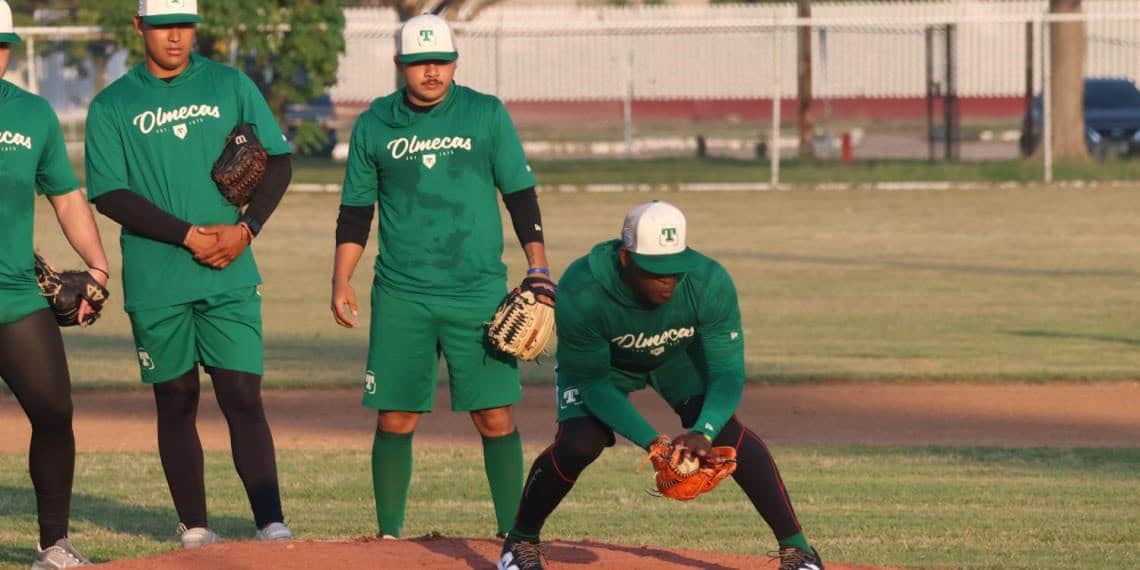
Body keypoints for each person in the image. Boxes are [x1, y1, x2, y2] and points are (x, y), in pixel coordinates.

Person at [497, 200, 826, 570]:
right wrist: (656, 445)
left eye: (674, 269)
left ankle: (799, 552)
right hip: (604, 369)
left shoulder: (708, 281)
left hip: (673, 357)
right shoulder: (582, 288)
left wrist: (704, 429)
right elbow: (592, 384)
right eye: (655, 271)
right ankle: (520, 542)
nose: (667, 280)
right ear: (626, 258)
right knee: (579, 443)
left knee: (728, 436)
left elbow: (727, 373)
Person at [331, 13, 555, 540]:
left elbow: (520, 195)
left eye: (440, 60)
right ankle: (389, 540)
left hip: (477, 290)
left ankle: (513, 536)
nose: (430, 72)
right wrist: (341, 279)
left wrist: (538, 267)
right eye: (418, 63)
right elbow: (355, 212)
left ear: (455, 61)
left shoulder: (486, 114)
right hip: (401, 293)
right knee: (396, 418)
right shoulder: (374, 124)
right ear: (399, 65)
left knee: (495, 416)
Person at [83, 0, 294, 548]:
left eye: (184, 26)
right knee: (175, 399)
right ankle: (196, 528)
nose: (174, 38)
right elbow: (108, 192)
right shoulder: (113, 104)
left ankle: (271, 522)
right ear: (139, 28)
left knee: (243, 395)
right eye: (161, 26)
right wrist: (186, 234)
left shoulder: (231, 84)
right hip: (159, 279)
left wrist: (245, 230)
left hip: (230, 268)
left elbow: (279, 160)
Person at [0, 2, 109, 567]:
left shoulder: (33, 115)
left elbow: (64, 196)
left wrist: (96, 268)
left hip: (16, 296)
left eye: (0, 44)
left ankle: (53, 545)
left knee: (53, 411)